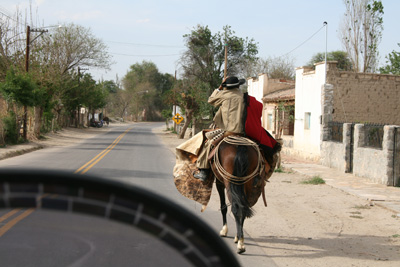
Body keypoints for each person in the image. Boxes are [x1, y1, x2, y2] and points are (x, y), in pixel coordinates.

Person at [194, 76, 247, 181]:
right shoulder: (243, 96)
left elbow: (211, 100)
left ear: (226, 87)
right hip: (242, 132)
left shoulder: (224, 95)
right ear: (238, 85)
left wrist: (219, 88)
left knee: (208, 143)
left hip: (228, 132)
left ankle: (203, 171)